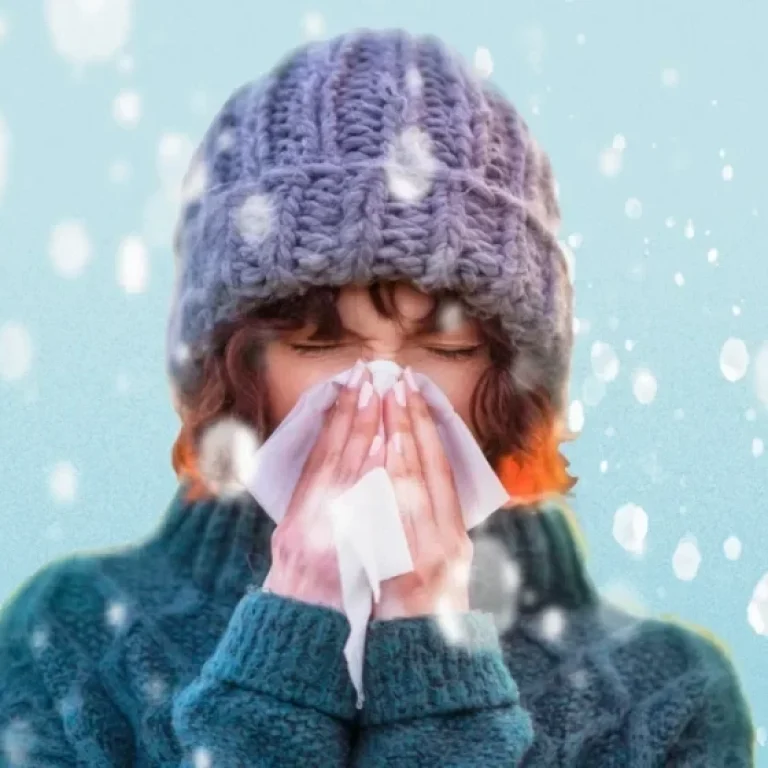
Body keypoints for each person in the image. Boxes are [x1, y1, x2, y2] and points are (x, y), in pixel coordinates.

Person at [0, 27, 755, 767]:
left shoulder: (669, 699)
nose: (382, 392)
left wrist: (437, 664)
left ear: (511, 374)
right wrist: (287, 644)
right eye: (320, 345)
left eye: (446, 349)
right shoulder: (73, 639)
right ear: (237, 370)